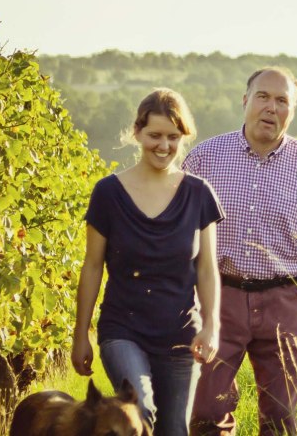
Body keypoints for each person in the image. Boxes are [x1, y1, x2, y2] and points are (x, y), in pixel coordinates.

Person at [183, 66, 297, 436]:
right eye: (263, 96)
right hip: (219, 299)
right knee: (203, 412)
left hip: (286, 304)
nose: (271, 107)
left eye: (282, 101)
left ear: (291, 112)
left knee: (279, 418)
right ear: (245, 101)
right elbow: (178, 237)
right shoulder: (204, 159)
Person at [72, 88, 223, 436]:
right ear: (137, 132)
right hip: (122, 330)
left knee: (173, 430)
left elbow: (206, 269)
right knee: (139, 410)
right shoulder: (107, 193)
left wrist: (211, 326)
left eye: (173, 137)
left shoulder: (200, 194)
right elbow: (92, 266)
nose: (164, 145)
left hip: (180, 334)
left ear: (183, 137)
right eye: (155, 135)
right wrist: (81, 335)